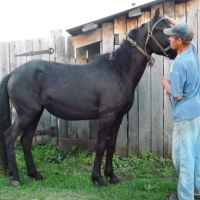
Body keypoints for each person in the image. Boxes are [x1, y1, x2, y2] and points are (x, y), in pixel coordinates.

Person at [162, 17, 200, 200]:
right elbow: (187, 31)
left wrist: (165, 83)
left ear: (179, 41)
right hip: (196, 113)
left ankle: (185, 197)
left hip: (184, 117)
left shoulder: (179, 64)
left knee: (182, 158)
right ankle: (197, 188)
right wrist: (171, 20)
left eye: (172, 37)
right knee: (195, 154)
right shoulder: (192, 50)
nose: (169, 39)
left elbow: (177, 95)